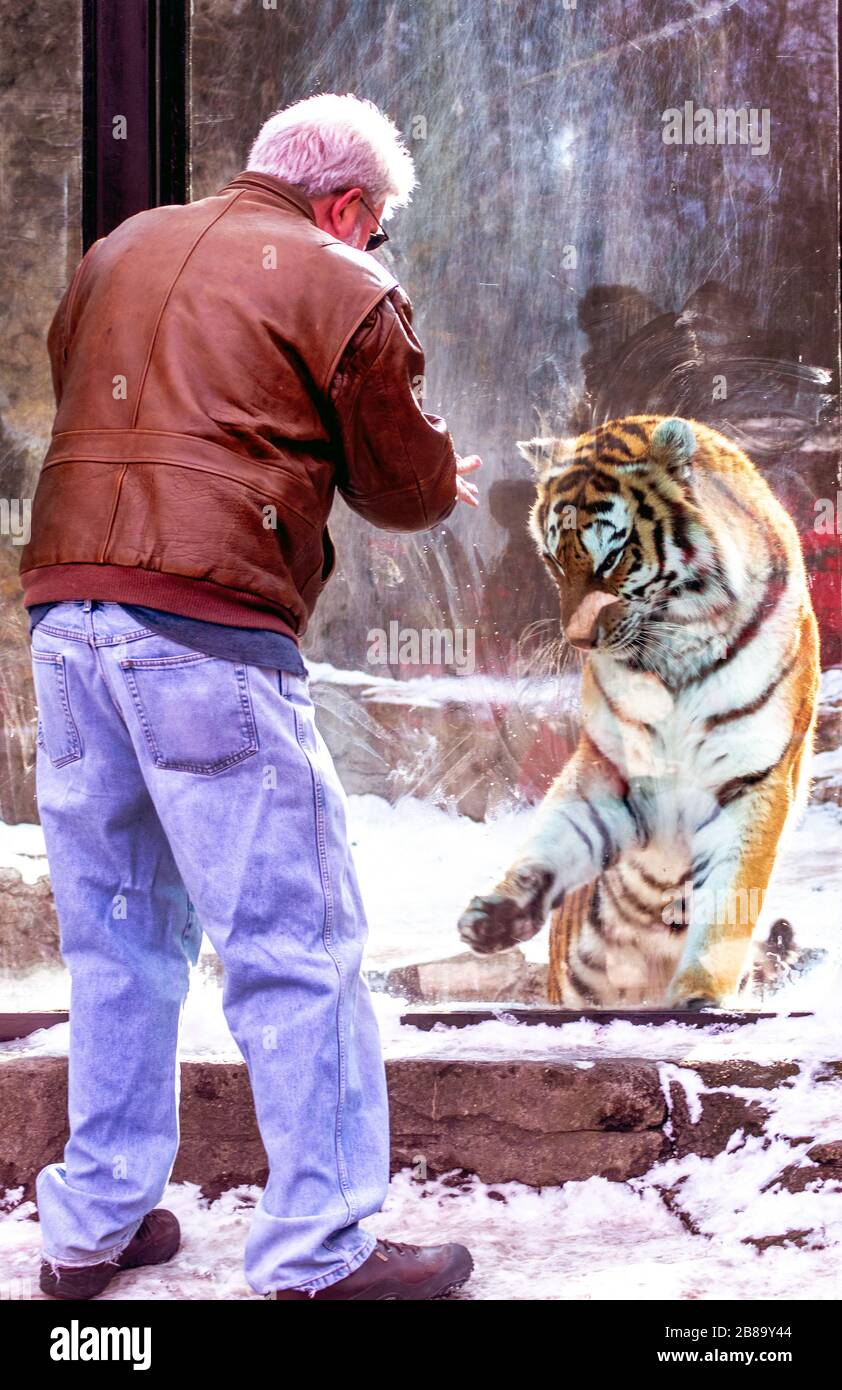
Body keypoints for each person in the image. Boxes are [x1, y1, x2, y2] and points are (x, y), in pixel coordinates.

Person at [19, 92, 481, 1301]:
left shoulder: (117, 250)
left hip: (66, 616)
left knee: (116, 939)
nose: (369, 243)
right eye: (371, 224)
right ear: (346, 205)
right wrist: (443, 475)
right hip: (205, 630)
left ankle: (92, 1227)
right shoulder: (339, 276)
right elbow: (401, 485)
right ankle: (318, 1250)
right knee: (295, 942)